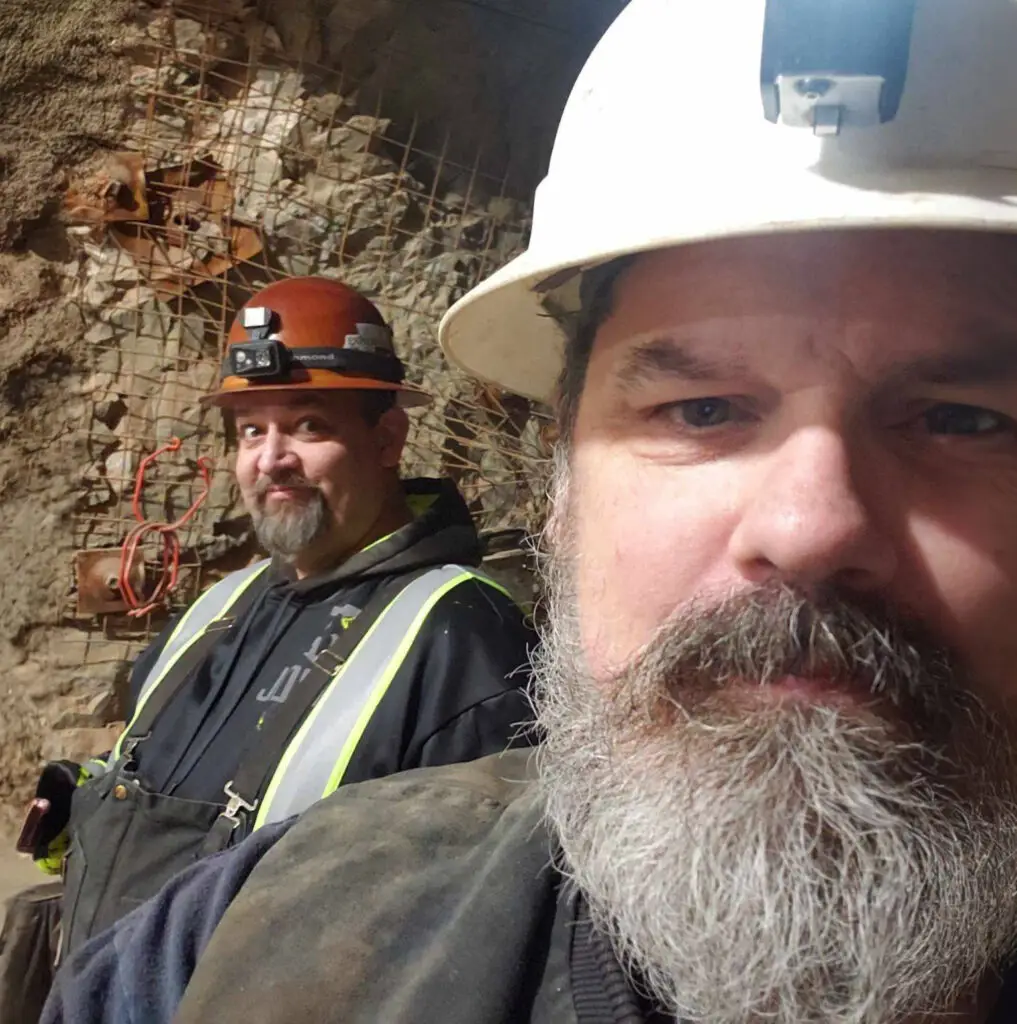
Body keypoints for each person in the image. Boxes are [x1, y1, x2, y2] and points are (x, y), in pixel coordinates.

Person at [39, 0, 1017, 1021]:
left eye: (961, 418)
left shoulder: (451, 632)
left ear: (389, 439)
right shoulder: (240, 940)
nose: (810, 526)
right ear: (563, 482)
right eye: (703, 409)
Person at [14, 275, 535, 969]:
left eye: (308, 425)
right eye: (251, 430)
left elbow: (476, 934)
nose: (271, 459)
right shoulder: (219, 607)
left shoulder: (460, 635)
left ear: (387, 439)